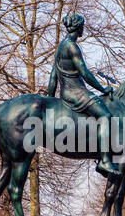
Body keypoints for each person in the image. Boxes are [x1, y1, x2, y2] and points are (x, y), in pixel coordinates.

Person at [48, 14, 119, 177]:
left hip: (65, 94)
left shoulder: (60, 46)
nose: (83, 29)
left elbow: (53, 77)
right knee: (105, 116)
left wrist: (50, 99)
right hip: (77, 93)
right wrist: (103, 89)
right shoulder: (72, 46)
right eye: (82, 26)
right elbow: (85, 73)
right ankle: (105, 160)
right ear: (78, 27)